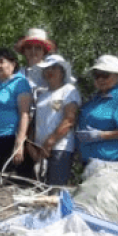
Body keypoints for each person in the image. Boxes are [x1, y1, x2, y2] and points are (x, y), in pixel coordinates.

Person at [76, 55, 118, 165]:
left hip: (111, 163)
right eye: (97, 75)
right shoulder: (95, 98)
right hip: (89, 162)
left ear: (117, 77)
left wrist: (101, 135)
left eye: (105, 75)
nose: (100, 79)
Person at [0, 47, 34, 177]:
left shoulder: (20, 83)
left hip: (10, 138)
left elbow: (24, 114)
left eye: (1, 61)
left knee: (11, 180)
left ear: (13, 64)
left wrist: (19, 143)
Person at [29, 54, 80, 185]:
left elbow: (69, 120)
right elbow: (35, 121)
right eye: (47, 68)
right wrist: (31, 145)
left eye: (54, 68)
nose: (50, 71)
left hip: (60, 148)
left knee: (55, 190)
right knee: (39, 189)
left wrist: (50, 142)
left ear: (62, 72)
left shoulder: (69, 91)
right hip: (39, 150)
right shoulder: (41, 95)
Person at [15, 28, 54, 92]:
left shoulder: (54, 72)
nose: (33, 51)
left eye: (38, 48)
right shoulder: (17, 74)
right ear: (24, 51)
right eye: (29, 47)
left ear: (44, 51)